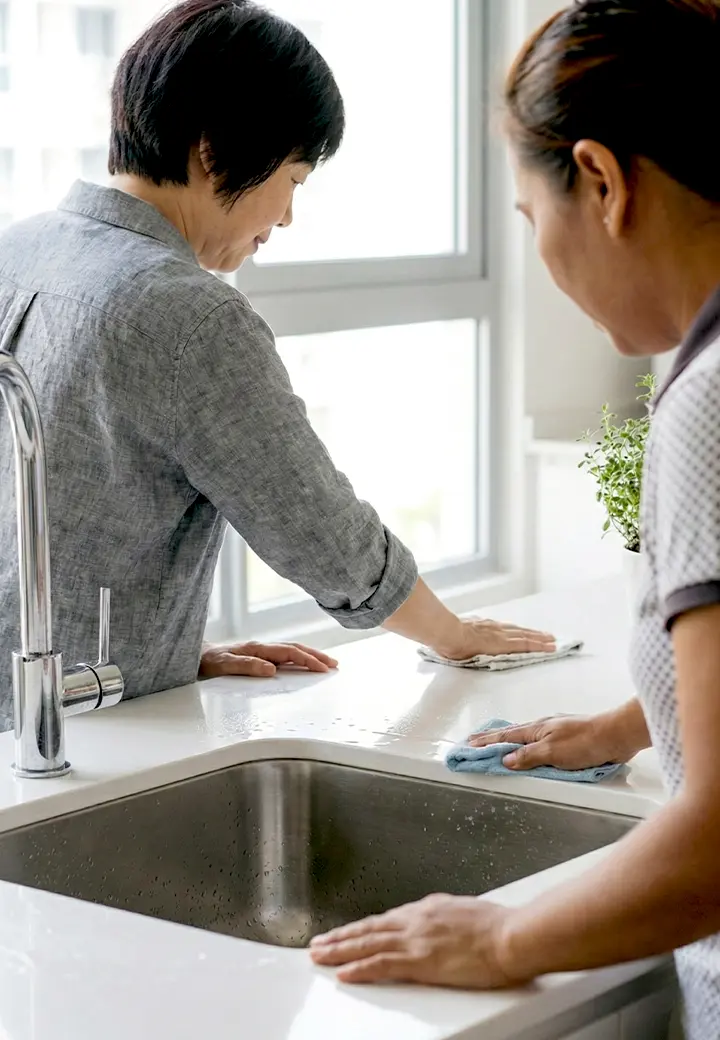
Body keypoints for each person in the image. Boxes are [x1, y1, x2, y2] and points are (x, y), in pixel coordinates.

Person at [310, 2, 720, 1035]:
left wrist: (497, 937)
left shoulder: (709, 403)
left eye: (532, 220)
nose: (539, 254)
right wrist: (643, 719)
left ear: (602, 180)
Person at [0, 0, 554, 733]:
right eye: (294, 177)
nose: (288, 216)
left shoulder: (18, 248)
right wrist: (455, 635)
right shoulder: (187, 314)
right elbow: (318, 530)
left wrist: (158, 652)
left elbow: (51, 513)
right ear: (212, 151)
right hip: (64, 742)